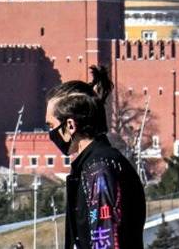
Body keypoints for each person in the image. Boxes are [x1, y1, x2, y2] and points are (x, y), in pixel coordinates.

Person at [45, 66, 145, 248]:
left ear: (70, 125)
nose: (50, 132)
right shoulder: (93, 165)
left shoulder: (99, 169)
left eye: (51, 125)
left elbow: (105, 238)